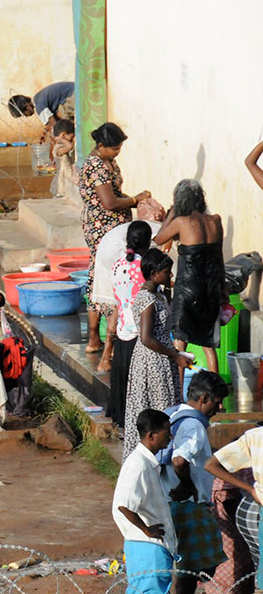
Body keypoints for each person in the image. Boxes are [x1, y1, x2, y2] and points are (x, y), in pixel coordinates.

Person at [77, 122, 151, 357]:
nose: (118, 152)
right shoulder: (96, 166)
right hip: (102, 225)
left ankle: (100, 337)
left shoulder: (107, 161)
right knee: (105, 276)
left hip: (112, 224)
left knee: (102, 274)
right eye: (115, 148)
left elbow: (115, 194)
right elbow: (109, 203)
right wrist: (135, 200)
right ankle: (97, 338)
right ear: (101, 146)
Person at [160, 371, 229, 594]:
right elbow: (179, 460)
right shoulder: (194, 426)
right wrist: (187, 484)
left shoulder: (173, 414)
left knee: (187, 567)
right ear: (204, 399)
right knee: (193, 569)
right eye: (217, 403)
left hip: (167, 501)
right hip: (187, 504)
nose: (219, 409)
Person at [153, 179, 225, 373]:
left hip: (188, 287)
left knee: (180, 341)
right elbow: (219, 258)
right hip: (211, 286)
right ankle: (215, 392)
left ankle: (178, 394)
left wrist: (173, 211)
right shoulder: (216, 220)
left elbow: (158, 238)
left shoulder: (182, 222)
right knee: (208, 342)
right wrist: (223, 292)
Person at [122, 249, 189, 458]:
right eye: (167, 272)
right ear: (153, 273)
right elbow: (146, 338)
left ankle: (165, 459)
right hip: (152, 361)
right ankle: (153, 458)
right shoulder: (146, 299)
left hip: (162, 357)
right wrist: (175, 355)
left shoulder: (158, 295)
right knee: (158, 408)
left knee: (166, 405)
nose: (171, 276)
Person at [112, 408, 176, 594]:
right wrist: (146, 530)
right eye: (166, 432)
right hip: (148, 547)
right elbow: (124, 505)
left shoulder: (146, 462)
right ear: (151, 435)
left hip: (147, 547)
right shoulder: (138, 465)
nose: (170, 436)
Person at [103, 221, 154, 428]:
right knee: (139, 384)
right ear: (147, 242)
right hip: (142, 332)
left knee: (123, 378)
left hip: (124, 330)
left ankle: (122, 419)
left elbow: (118, 301)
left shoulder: (117, 265)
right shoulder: (145, 267)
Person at [207, 429, 263, 591]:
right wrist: (249, 488)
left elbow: (210, 464)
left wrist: (251, 490)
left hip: (250, 510)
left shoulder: (255, 436)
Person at [204, 470, 256, 594]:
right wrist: (248, 488)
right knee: (230, 554)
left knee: (246, 555)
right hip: (228, 493)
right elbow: (211, 464)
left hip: (243, 493)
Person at [8, 81, 75, 137]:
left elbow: (54, 125)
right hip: (74, 90)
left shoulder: (39, 107)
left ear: (27, 106)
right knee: (58, 117)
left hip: (74, 95)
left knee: (63, 126)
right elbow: (51, 121)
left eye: (23, 114)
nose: (25, 116)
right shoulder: (38, 98)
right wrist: (45, 132)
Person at [49, 119, 76, 199]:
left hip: (66, 181)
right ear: (63, 135)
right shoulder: (58, 148)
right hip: (59, 184)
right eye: (71, 138)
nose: (71, 141)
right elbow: (69, 147)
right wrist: (61, 139)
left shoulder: (63, 147)